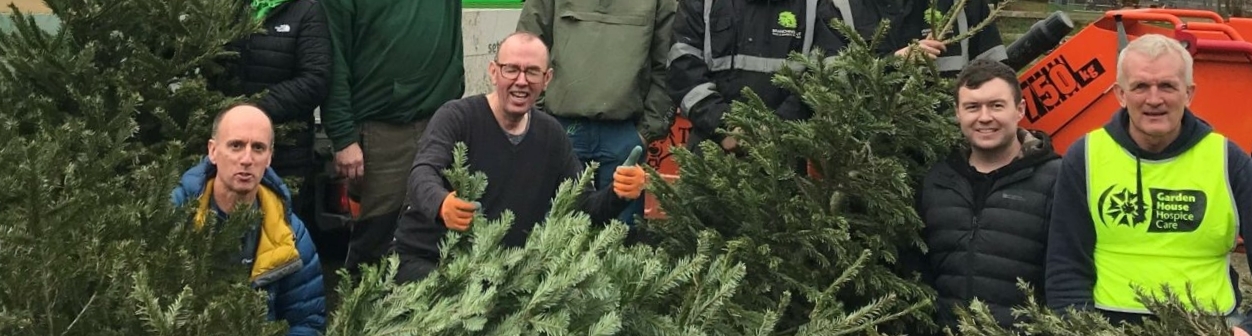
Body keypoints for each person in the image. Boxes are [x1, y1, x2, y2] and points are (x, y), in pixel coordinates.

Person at [1044, 34, 1252, 336]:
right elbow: (1064, 267)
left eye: (1167, 86)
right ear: (1120, 94)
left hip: (1209, 327)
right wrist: (1080, 329)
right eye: (1141, 86)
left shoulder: (1227, 161)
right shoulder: (1085, 157)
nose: (1154, 99)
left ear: (1189, 93)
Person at [391, 33, 647, 283]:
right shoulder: (456, 117)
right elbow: (423, 172)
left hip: (503, 275)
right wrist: (441, 204)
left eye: (532, 72)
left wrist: (617, 193)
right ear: (493, 71)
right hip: (431, 263)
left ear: (547, 79)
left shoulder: (551, 135)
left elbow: (583, 208)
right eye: (511, 69)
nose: (521, 81)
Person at [669, 0, 943, 152]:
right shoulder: (700, 3)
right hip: (711, 150)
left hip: (787, 152)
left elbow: (824, 74)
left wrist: (774, 131)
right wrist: (726, 127)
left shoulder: (817, 5)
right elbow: (683, 68)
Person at [911, 58, 1060, 331]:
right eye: (972, 107)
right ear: (957, 113)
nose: (984, 117)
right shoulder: (938, 181)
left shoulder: (1056, 180)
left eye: (996, 105)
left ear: (1020, 110)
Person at [322, 0, 466, 272]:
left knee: (438, 239)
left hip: (441, 120)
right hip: (384, 131)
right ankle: (362, 311)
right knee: (378, 241)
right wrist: (343, 136)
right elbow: (333, 61)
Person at [170, 105, 327, 335]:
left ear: (269, 157)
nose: (247, 159)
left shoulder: (291, 233)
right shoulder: (172, 218)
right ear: (212, 151)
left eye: (258, 148)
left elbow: (307, 323)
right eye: (236, 145)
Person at [516, 0, 675, 226]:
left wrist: (645, 132)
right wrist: (540, 119)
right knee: (552, 239)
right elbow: (527, 51)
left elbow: (668, 65)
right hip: (559, 130)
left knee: (620, 246)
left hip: (624, 138)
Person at [223, 0, 331, 237]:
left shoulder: (306, 11)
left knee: (278, 237)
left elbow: (315, 79)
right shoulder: (227, 9)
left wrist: (253, 111)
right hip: (227, 150)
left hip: (286, 152)